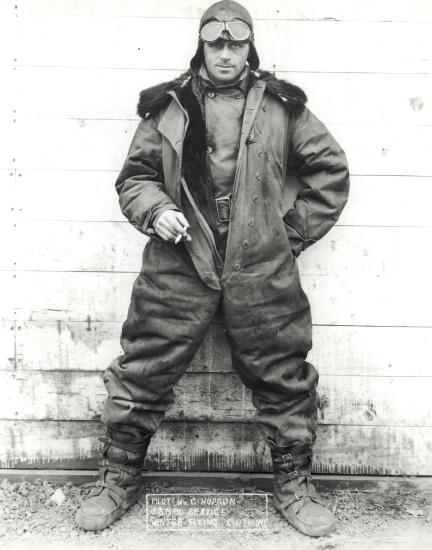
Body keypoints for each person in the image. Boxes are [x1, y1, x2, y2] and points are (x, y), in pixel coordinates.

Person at [75, 0, 350, 537]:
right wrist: (157, 211)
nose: (226, 54)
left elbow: (329, 172)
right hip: (179, 262)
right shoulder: (169, 105)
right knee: (144, 368)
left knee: (283, 374)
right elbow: (135, 178)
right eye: (216, 43)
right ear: (202, 46)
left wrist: (286, 237)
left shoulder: (281, 106)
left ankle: (294, 485)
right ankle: (118, 478)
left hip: (259, 265)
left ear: (250, 47)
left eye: (236, 44)